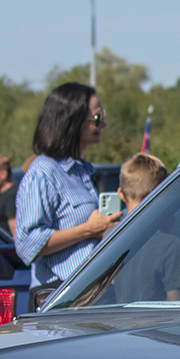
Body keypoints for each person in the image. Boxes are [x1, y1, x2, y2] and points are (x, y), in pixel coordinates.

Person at [14, 82, 118, 296]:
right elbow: (27, 244)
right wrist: (88, 230)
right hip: (59, 296)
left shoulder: (83, 171)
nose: (103, 124)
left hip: (90, 292)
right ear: (72, 121)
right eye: (97, 118)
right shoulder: (43, 172)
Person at [109, 153, 180, 303]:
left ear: (120, 193)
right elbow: (176, 304)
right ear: (161, 193)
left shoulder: (107, 237)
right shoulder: (170, 245)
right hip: (154, 318)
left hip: (113, 318)